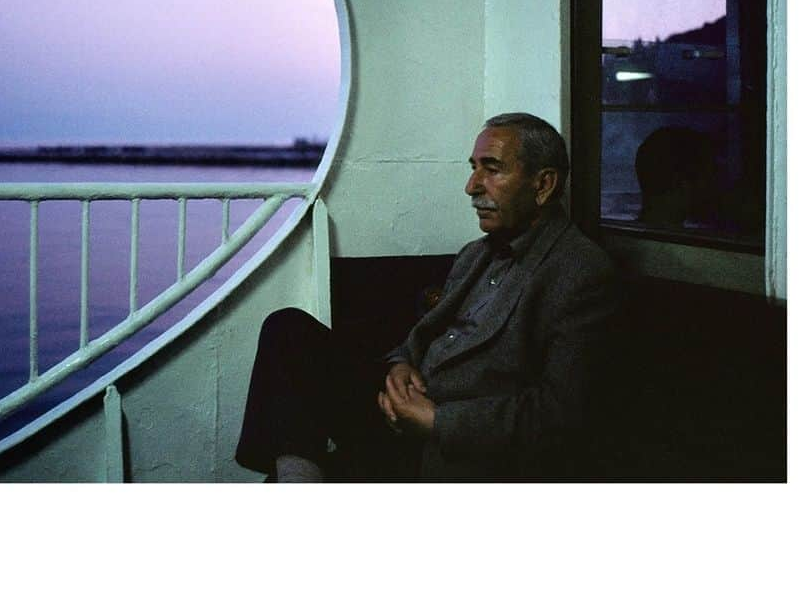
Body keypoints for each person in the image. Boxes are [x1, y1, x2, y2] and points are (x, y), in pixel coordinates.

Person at [235, 112, 621, 481]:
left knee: (301, 436)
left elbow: (561, 415)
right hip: (404, 403)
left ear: (543, 185)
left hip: (450, 441)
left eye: (492, 168)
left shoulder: (581, 272)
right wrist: (398, 368)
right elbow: (425, 334)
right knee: (287, 329)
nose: (472, 185)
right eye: (473, 167)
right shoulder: (476, 254)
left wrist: (435, 420)